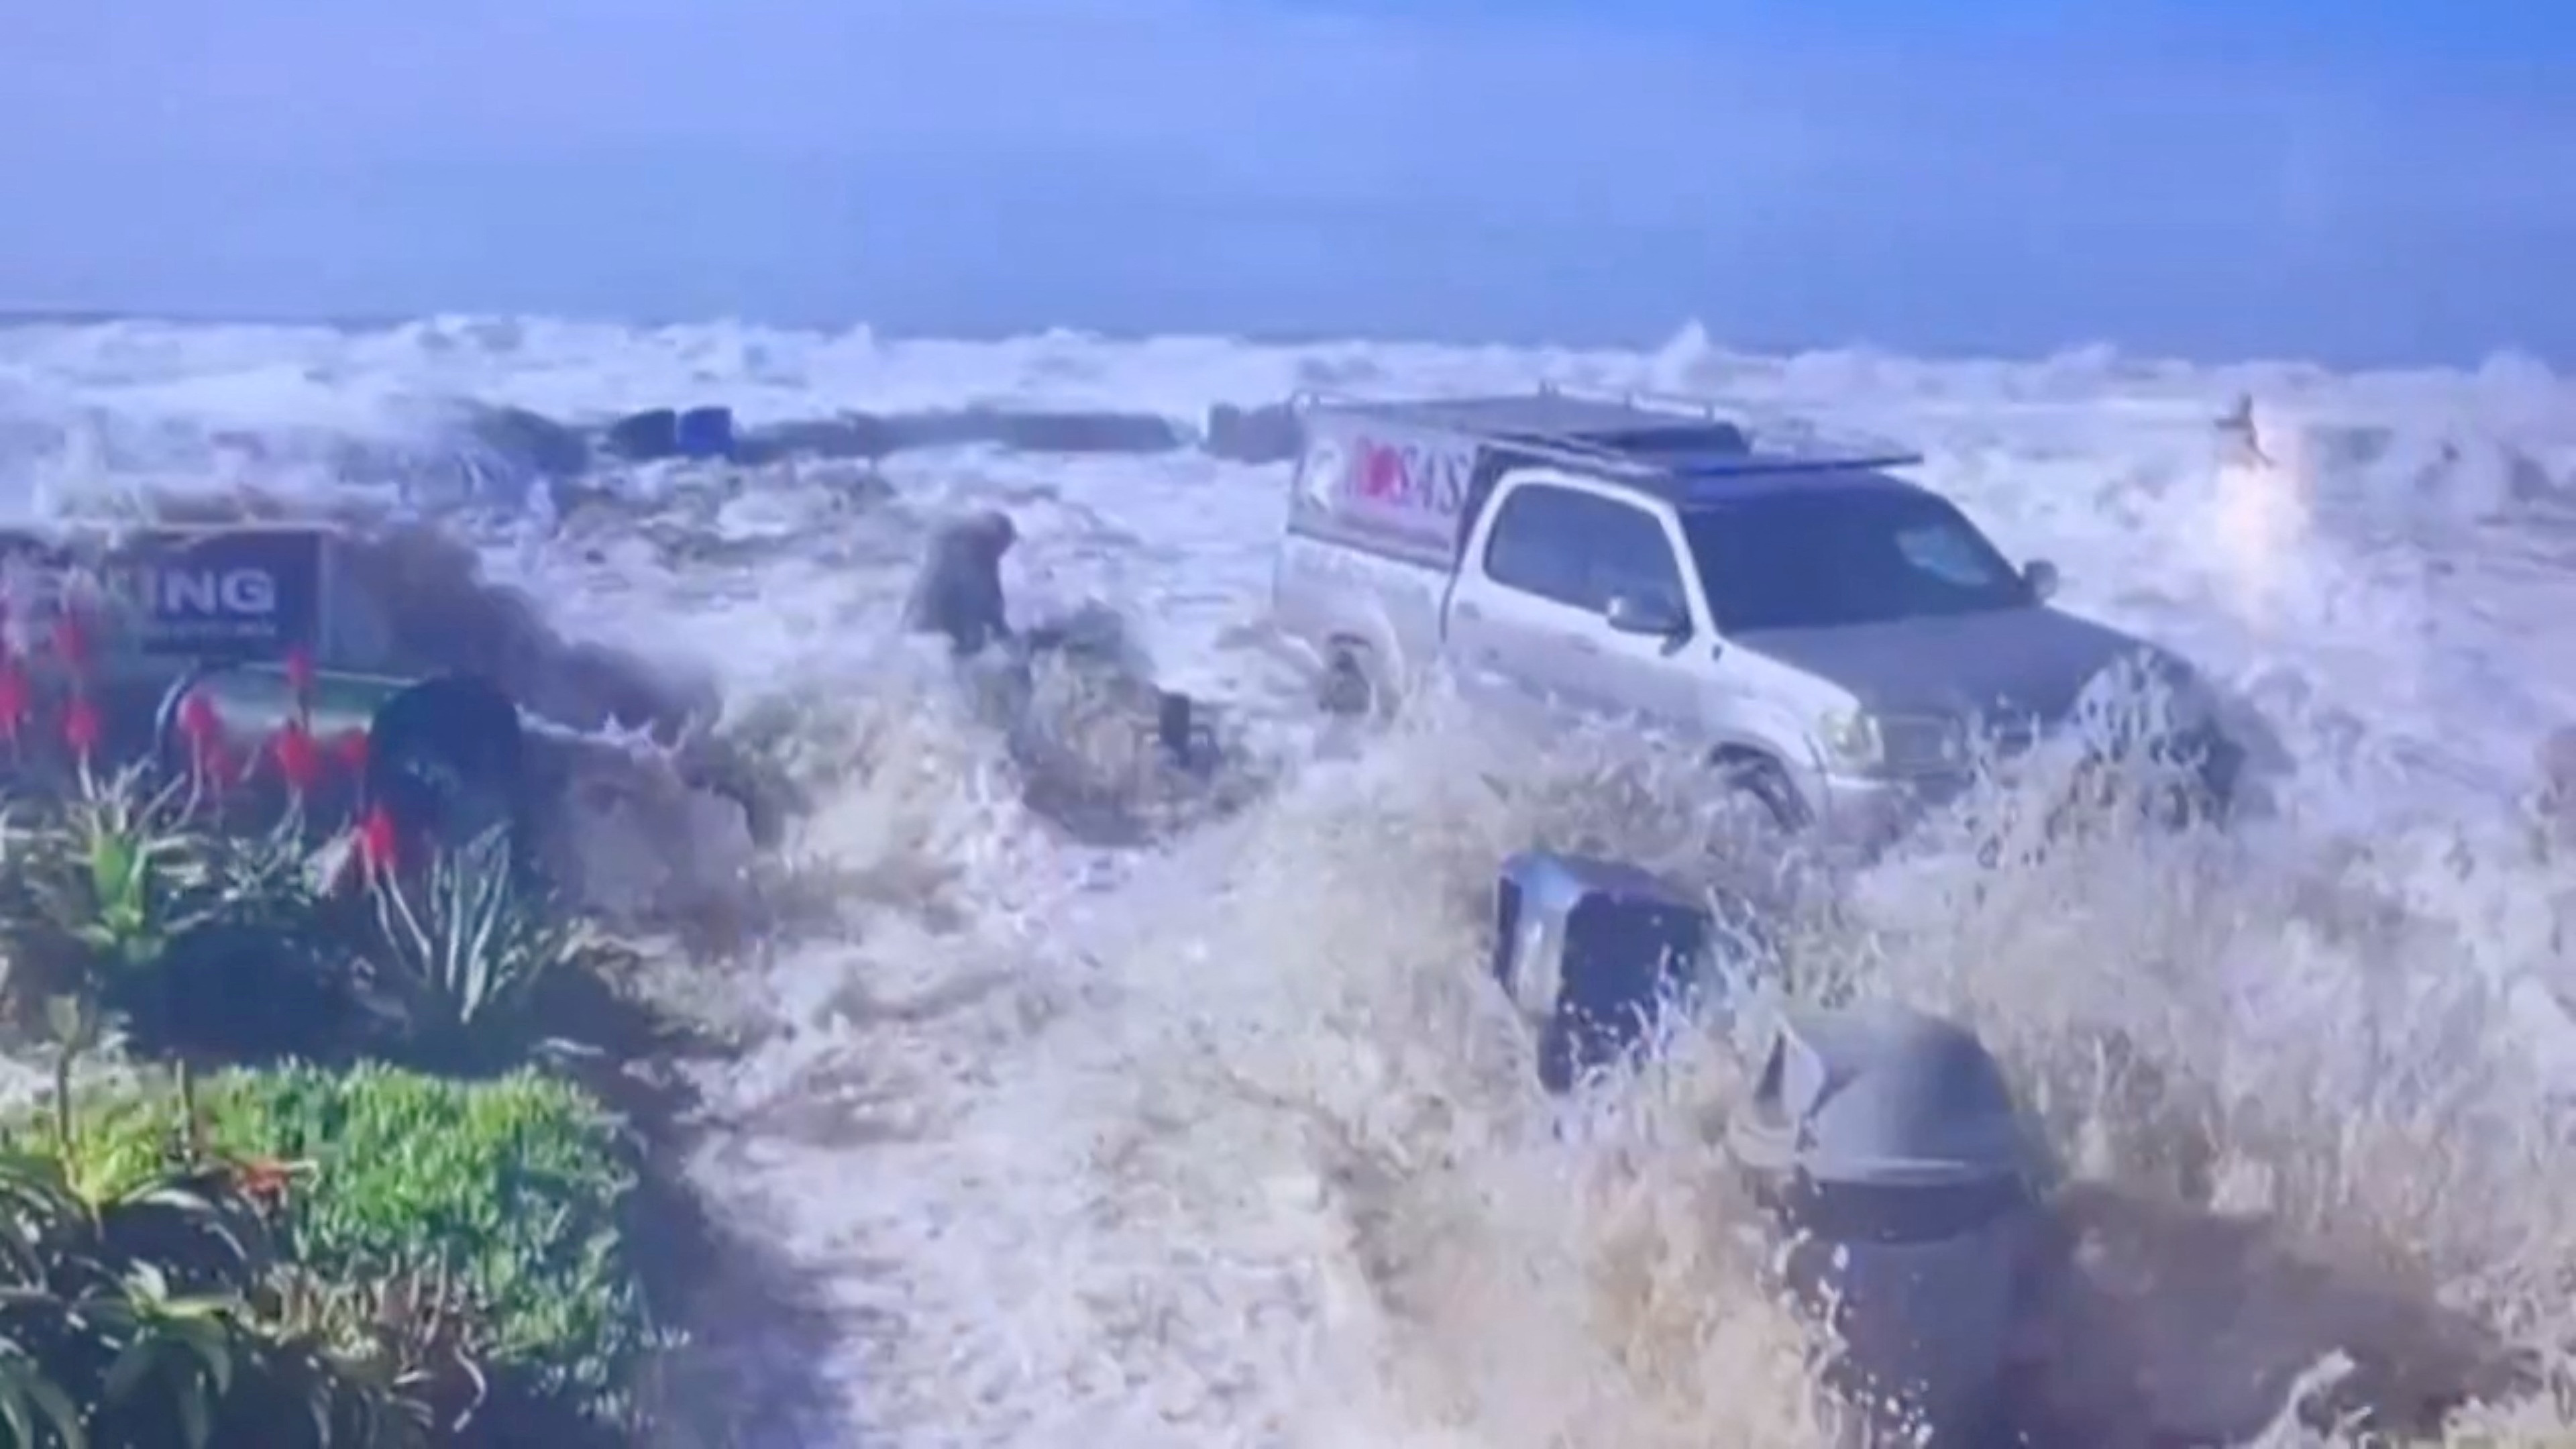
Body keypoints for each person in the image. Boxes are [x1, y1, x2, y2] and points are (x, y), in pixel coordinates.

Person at [903, 509, 1018, 657]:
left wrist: (1003, 633)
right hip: (935, 636)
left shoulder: (985, 558)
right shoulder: (952, 559)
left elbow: (993, 602)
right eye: (1002, 545)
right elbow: (927, 603)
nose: (1004, 552)